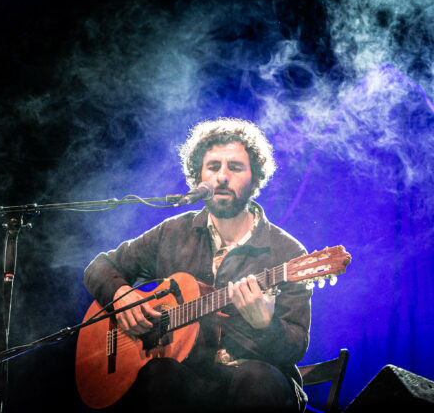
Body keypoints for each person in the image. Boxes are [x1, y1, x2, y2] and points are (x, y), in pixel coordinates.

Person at [83, 117, 312, 412]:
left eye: (235, 167)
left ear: (255, 177)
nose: (222, 177)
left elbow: (296, 346)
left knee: (259, 380)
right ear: (199, 177)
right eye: (213, 167)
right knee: (158, 376)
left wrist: (266, 325)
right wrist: (120, 295)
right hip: (188, 378)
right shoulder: (172, 232)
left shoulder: (287, 252)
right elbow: (99, 267)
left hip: (254, 380)